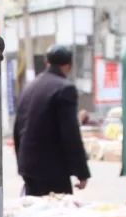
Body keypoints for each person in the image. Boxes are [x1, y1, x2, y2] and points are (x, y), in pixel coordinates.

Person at [13, 44, 91, 196]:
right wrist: (82, 172)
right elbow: (70, 133)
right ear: (68, 66)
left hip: (27, 167)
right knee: (57, 214)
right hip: (52, 169)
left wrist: (21, 162)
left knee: (34, 214)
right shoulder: (65, 88)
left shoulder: (30, 87)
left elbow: (18, 128)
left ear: (47, 62)